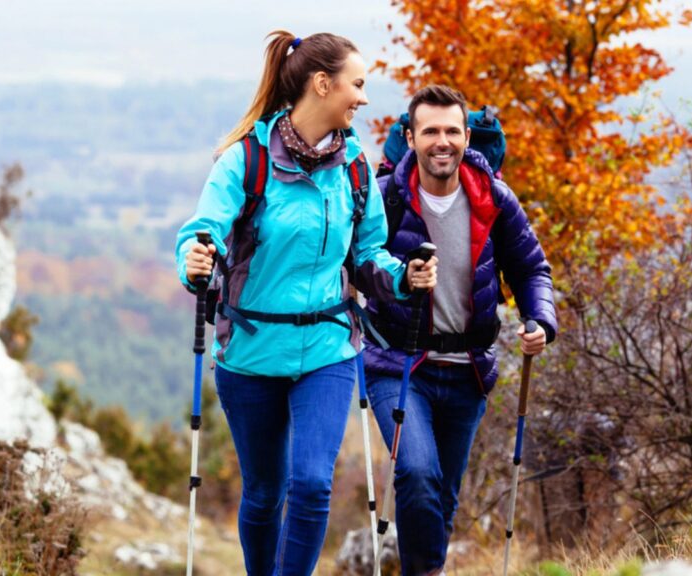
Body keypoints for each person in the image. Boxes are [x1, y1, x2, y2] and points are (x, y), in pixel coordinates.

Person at [175, 30, 434, 576]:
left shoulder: (356, 166)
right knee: (265, 493)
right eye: (357, 84)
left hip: (328, 348)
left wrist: (403, 277)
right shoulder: (245, 161)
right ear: (322, 84)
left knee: (313, 483)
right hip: (250, 352)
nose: (363, 98)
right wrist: (195, 259)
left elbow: (369, 253)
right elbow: (204, 232)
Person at [363, 85, 558, 576]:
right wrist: (398, 278)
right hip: (399, 363)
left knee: (443, 497)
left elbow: (532, 269)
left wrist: (541, 321)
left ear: (467, 135)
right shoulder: (384, 198)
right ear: (410, 137)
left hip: (469, 369)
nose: (442, 141)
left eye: (452, 130)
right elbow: (357, 266)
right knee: (416, 472)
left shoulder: (492, 197)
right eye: (430, 131)